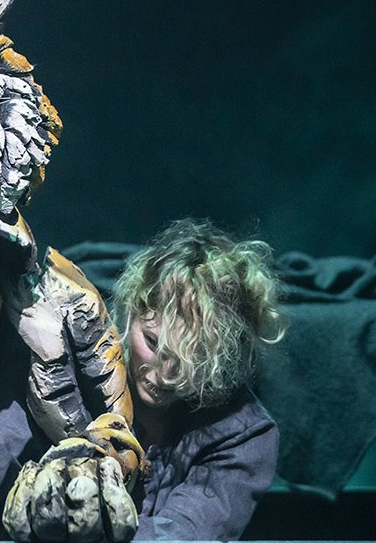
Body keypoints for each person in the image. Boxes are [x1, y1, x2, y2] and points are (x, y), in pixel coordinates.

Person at [112, 218, 286, 541]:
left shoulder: (245, 434)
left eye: (191, 358)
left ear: (223, 355)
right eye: (152, 343)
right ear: (131, 310)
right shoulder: (77, 381)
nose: (163, 375)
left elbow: (183, 535)